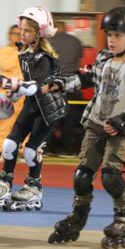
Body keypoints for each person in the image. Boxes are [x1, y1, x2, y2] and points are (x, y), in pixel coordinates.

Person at [47, 7, 125, 249]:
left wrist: (122, 120)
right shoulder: (104, 58)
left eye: (118, 35)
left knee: (109, 175)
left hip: (119, 129)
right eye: (109, 35)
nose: (111, 40)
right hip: (95, 123)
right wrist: (59, 85)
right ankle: (78, 216)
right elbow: (85, 79)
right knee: (82, 176)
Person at [0, 6, 67, 211]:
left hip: (47, 109)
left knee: (30, 150)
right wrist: (12, 94)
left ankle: (33, 187)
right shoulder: (25, 53)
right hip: (32, 104)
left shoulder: (45, 58)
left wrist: (11, 84)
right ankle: (4, 183)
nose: (22, 33)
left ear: (39, 33)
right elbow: (27, 85)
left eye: (27, 30)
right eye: (22, 28)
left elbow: (36, 86)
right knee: (9, 144)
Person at [48, 21, 84, 155]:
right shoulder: (75, 41)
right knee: (69, 119)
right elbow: (78, 64)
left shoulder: (48, 41)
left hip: (53, 84)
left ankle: (48, 148)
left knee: (51, 117)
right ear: (65, 28)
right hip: (71, 85)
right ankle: (65, 148)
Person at [0, 25, 25, 154]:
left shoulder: (27, 51)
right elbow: (6, 65)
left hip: (23, 91)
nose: (17, 36)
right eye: (15, 33)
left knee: (24, 122)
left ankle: (23, 149)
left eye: (20, 34)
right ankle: (1, 148)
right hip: (6, 91)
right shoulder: (3, 51)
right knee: (5, 122)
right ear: (9, 35)